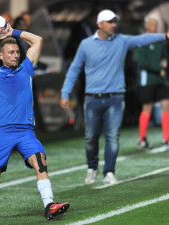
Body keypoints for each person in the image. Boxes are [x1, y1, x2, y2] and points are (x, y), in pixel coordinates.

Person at [0, 20, 70, 221]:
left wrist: (14, 32)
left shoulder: (27, 69)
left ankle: (49, 205)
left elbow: (37, 40)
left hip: (25, 132)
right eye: (10, 53)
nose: (16, 55)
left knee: (41, 162)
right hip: (2, 132)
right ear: (0, 56)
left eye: (17, 52)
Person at [60, 9, 169, 185]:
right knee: (90, 137)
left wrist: (164, 36)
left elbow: (142, 39)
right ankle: (92, 167)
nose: (113, 25)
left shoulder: (122, 41)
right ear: (100, 24)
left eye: (114, 22)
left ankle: (109, 172)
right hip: (92, 98)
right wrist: (65, 92)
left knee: (112, 136)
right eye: (110, 22)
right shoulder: (86, 44)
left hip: (115, 98)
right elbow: (74, 69)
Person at [135, 15, 169, 149]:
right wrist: (159, 68)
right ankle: (142, 139)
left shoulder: (160, 41)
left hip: (159, 79)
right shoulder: (141, 41)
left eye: (156, 24)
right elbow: (143, 63)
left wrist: (165, 63)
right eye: (152, 24)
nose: (154, 27)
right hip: (147, 80)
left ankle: (166, 138)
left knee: (166, 104)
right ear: (146, 25)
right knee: (147, 108)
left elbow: (165, 57)